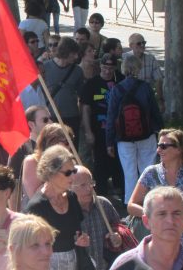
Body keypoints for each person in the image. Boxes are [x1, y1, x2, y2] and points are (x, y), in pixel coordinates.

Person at [128, 129, 183, 249]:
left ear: (179, 149)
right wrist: (154, 215)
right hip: (154, 240)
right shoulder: (150, 173)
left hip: (182, 242)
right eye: (158, 146)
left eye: (163, 146)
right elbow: (131, 205)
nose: (158, 150)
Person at [106, 54, 163, 204]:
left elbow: (111, 116)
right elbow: (154, 111)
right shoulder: (145, 87)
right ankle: (150, 202)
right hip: (146, 134)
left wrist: (109, 142)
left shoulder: (117, 89)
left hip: (124, 138)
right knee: (148, 169)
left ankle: (130, 203)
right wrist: (161, 130)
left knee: (129, 172)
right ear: (139, 68)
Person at [24, 144, 91, 270]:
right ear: (51, 173)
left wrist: (81, 240)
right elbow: (29, 247)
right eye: (67, 173)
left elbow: (77, 231)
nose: (73, 177)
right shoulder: (36, 207)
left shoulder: (72, 197)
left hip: (75, 264)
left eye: (74, 171)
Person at [108, 187, 183, 270]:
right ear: (146, 221)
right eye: (162, 214)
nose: (170, 221)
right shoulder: (126, 265)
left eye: (176, 213)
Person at [80, 53, 124, 195]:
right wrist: (88, 131)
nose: (107, 70)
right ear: (100, 66)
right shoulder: (92, 84)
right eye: (105, 67)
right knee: (100, 162)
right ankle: (102, 192)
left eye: (111, 67)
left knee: (119, 161)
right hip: (99, 130)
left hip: (118, 131)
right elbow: (85, 108)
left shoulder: (121, 81)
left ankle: (121, 189)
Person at [71, 166, 122, 270]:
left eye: (91, 183)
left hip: (105, 267)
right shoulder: (67, 211)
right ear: (70, 187)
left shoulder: (103, 204)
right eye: (83, 185)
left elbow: (120, 226)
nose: (89, 188)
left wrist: (118, 235)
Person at [43, 37, 84, 147]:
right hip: (51, 117)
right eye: (73, 53)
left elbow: (82, 97)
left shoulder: (77, 71)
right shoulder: (45, 67)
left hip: (72, 118)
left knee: (71, 149)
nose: (76, 57)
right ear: (66, 52)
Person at [122, 33, 163, 109]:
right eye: (139, 43)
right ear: (131, 46)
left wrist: (160, 100)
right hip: (128, 99)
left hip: (146, 97)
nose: (142, 45)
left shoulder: (151, 58)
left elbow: (158, 80)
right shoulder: (124, 58)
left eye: (143, 43)